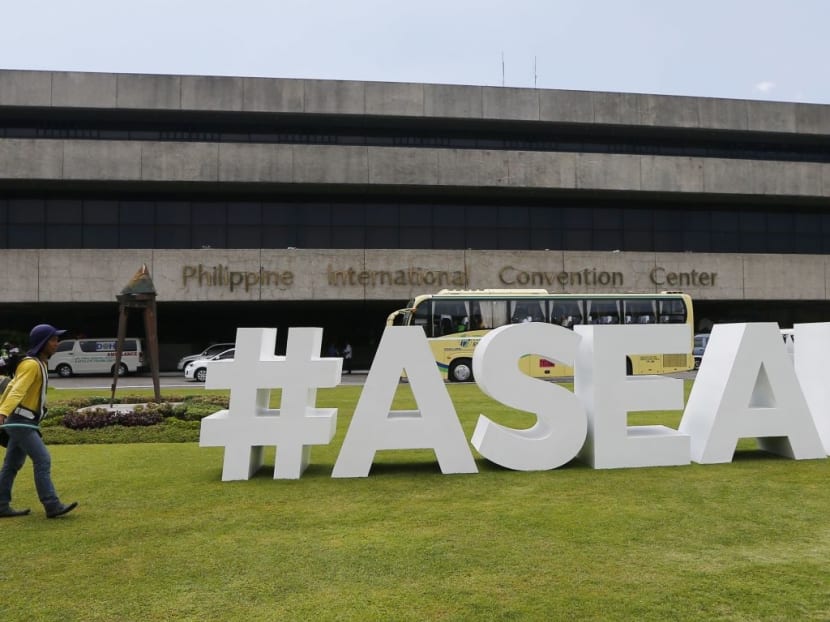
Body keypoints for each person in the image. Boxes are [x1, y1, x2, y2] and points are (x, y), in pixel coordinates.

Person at [0, 324, 78, 519]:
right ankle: (52, 504)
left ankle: (1, 504)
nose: (56, 343)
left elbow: (10, 387)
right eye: (53, 340)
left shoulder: (39, 363)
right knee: (42, 459)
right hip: (19, 421)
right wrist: (2, 412)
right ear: (42, 343)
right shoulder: (31, 364)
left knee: (11, 465)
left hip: (22, 421)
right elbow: (16, 389)